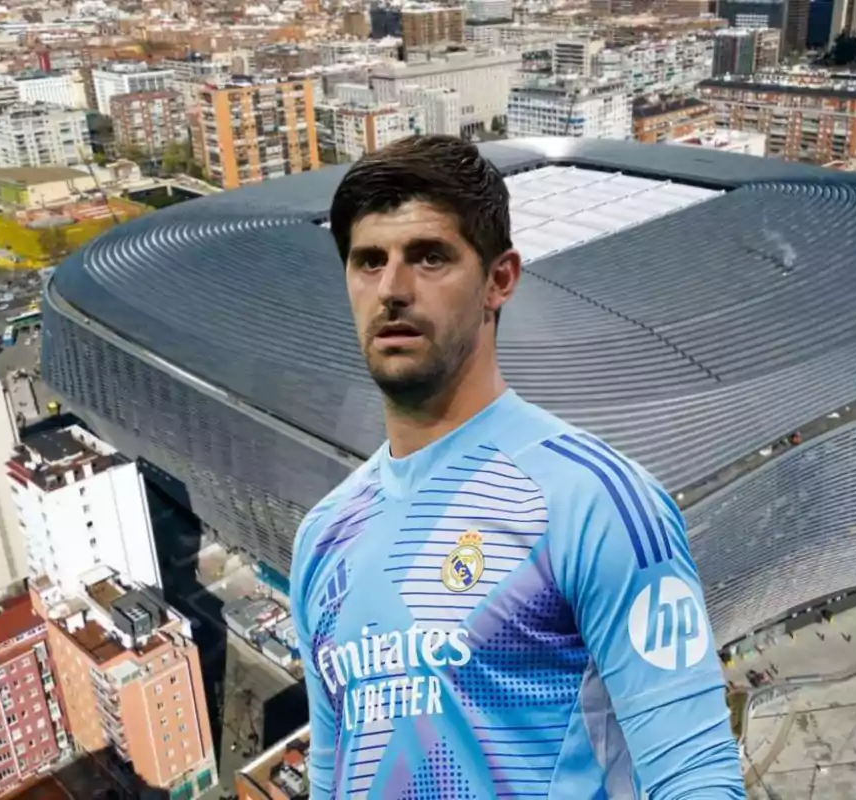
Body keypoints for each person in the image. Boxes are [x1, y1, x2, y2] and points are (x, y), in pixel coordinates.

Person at [290, 135, 744, 799]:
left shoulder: (595, 502)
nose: (391, 288)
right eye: (368, 261)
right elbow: (331, 776)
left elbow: (696, 777)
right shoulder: (322, 538)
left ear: (499, 279)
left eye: (429, 257)